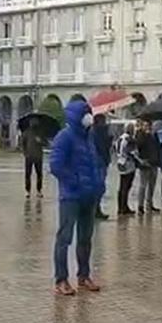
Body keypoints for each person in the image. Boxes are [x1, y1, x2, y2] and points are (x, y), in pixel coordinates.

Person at [49, 101, 105, 296]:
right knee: (64, 238)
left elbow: (95, 163)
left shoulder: (88, 137)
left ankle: (84, 275)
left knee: (85, 238)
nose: (89, 117)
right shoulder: (64, 137)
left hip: (88, 196)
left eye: (89, 113)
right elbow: (56, 165)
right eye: (85, 113)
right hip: (71, 196)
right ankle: (61, 279)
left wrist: (98, 184)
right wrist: (74, 181)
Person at [135, 120, 161, 213]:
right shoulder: (140, 134)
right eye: (146, 125)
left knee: (152, 185)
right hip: (145, 163)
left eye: (149, 125)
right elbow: (138, 145)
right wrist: (144, 134)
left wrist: (159, 161)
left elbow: (158, 147)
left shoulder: (154, 135)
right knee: (143, 185)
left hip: (154, 163)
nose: (148, 127)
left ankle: (149, 204)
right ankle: (140, 206)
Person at [92, 114, 112, 219]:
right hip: (99, 162)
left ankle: (96, 208)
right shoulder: (95, 132)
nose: (104, 122)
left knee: (100, 186)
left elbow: (107, 146)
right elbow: (99, 147)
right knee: (99, 186)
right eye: (103, 120)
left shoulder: (103, 131)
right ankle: (95, 209)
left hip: (102, 161)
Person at [116, 124, 137, 215]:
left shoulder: (120, 138)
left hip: (120, 162)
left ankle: (120, 207)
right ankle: (124, 207)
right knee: (126, 186)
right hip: (128, 163)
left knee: (122, 186)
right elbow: (132, 152)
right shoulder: (129, 139)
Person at [21, 120, 46, 199]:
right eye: (32, 122)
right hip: (29, 157)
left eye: (35, 122)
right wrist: (25, 153)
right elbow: (23, 143)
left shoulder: (41, 132)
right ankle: (27, 191)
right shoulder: (26, 132)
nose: (34, 124)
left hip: (38, 156)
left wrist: (41, 141)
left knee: (39, 174)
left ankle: (39, 190)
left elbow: (46, 143)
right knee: (28, 174)